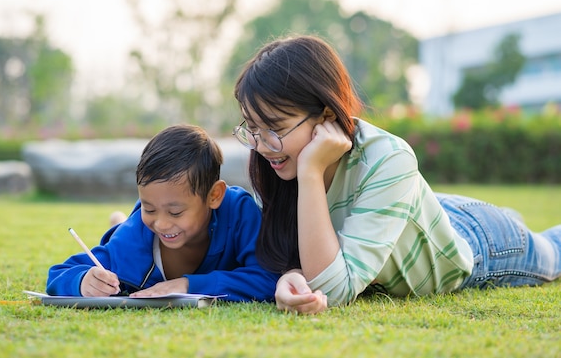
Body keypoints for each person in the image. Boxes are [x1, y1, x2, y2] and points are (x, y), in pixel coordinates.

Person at [232, 34, 561, 314]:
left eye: (274, 128)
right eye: (253, 127)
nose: (261, 145)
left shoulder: (387, 158)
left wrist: (311, 172)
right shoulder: (276, 160)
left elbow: (333, 288)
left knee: (554, 252)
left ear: (326, 115)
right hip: (415, 215)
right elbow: (291, 253)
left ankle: (507, 220)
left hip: (475, 243)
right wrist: (291, 273)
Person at [46, 124, 279, 302]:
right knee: (125, 229)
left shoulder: (239, 212)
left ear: (214, 196)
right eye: (149, 208)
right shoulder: (132, 240)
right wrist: (83, 282)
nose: (162, 224)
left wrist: (188, 285)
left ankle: (120, 219)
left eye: (175, 212)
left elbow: (270, 277)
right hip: (131, 232)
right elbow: (58, 274)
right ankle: (120, 221)